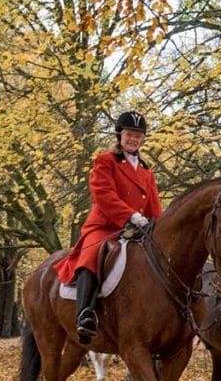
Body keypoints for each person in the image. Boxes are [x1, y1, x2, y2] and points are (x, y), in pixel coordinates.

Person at [54, 110, 162, 342]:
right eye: (129, 134)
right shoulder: (105, 161)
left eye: (138, 135)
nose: (133, 139)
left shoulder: (146, 172)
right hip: (106, 226)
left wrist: (157, 226)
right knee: (93, 253)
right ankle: (85, 313)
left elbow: (154, 206)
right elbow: (103, 195)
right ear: (120, 135)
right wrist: (131, 216)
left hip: (141, 230)